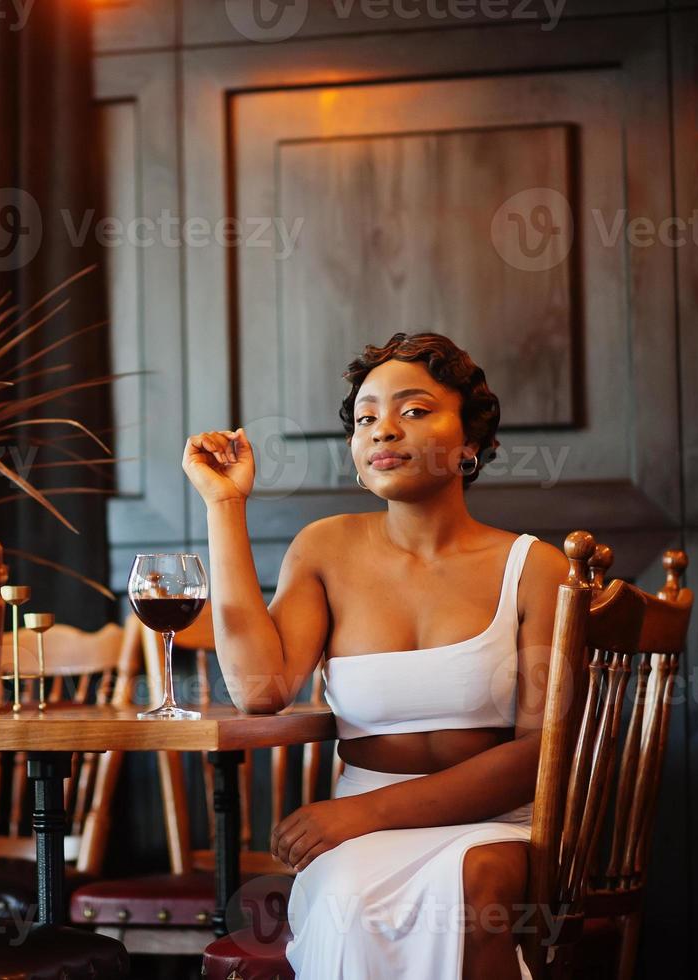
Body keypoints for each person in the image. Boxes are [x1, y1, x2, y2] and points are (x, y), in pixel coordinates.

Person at [182, 332, 570, 979]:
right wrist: (224, 504)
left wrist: (365, 813)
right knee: (347, 903)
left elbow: (542, 750)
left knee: (473, 895)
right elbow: (259, 689)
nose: (383, 430)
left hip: (493, 823)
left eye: (413, 411)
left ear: (469, 442)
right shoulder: (323, 549)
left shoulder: (534, 566)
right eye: (365, 418)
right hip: (355, 838)